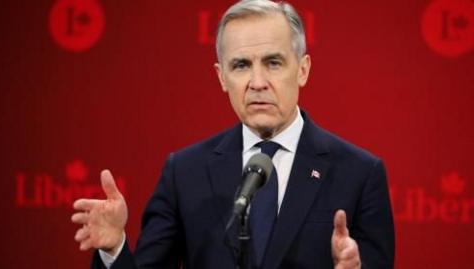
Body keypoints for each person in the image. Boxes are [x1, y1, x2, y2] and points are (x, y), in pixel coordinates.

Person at [71, 0, 395, 268]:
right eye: (241, 65)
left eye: (273, 63)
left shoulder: (359, 174)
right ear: (221, 77)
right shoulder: (184, 173)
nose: (257, 82)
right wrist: (114, 248)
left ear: (303, 69)